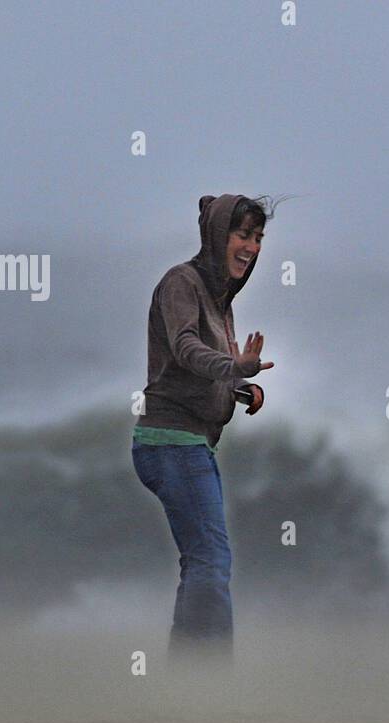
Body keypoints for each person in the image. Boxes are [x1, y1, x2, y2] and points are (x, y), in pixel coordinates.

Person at [132, 193, 277, 663]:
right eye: (241, 235)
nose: (251, 247)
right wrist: (232, 365)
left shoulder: (220, 300)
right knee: (211, 561)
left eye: (257, 238)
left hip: (190, 443)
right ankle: (205, 674)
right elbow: (186, 350)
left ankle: (189, 676)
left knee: (203, 562)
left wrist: (238, 387)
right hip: (170, 442)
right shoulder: (181, 283)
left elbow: (196, 373)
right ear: (217, 236)